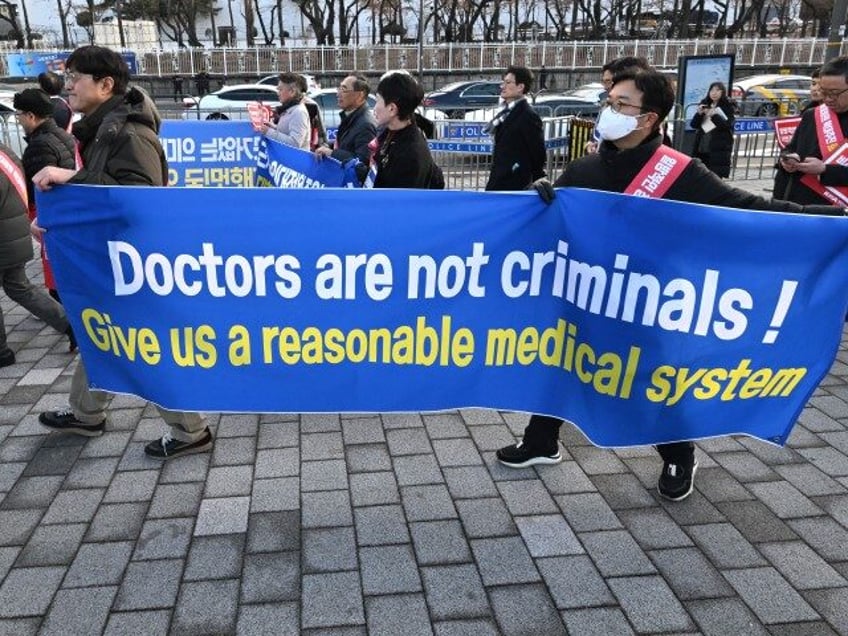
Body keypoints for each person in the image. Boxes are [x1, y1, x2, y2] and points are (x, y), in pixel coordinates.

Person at [498, 68, 845, 501]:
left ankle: (678, 451)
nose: (611, 111)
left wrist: (836, 222)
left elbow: (752, 209)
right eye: (610, 102)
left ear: (649, 119)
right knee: (563, 361)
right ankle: (541, 441)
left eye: (622, 104)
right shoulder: (584, 168)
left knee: (649, 380)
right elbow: (548, 220)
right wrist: (542, 194)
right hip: (587, 294)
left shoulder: (681, 173)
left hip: (648, 303)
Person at [32, 45, 212, 459]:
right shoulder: (104, 127)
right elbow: (104, 185)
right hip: (111, 259)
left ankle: (191, 430)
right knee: (102, 332)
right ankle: (86, 412)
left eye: (76, 76)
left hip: (131, 264)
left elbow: (141, 201)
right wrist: (62, 215)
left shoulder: (130, 132)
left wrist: (71, 181)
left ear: (106, 84)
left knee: (138, 345)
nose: (68, 84)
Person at [0, 141, 73, 369]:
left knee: (18, 286)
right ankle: (70, 326)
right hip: (13, 235)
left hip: (4, 238)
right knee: (19, 286)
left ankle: (2, 353)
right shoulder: (5, 151)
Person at [14, 88, 78, 305]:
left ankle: (73, 333)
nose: (18, 119)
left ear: (31, 116)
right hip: (68, 215)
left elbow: (42, 189)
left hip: (51, 220)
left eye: (19, 114)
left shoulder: (39, 145)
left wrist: (34, 218)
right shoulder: (63, 135)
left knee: (57, 287)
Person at [774, 56, 848, 204]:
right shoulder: (812, 115)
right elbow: (791, 149)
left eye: (834, 93)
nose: (827, 99)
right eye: (823, 92)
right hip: (798, 203)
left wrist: (825, 170)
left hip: (837, 211)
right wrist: (789, 160)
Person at [370, 71, 442, 189]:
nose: (374, 108)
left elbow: (398, 202)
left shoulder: (410, 155)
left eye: (377, 100)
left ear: (392, 109)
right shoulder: (391, 133)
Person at [484, 65, 546, 192]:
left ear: (520, 87)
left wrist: (538, 179)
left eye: (508, 83)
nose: (503, 86)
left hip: (515, 183)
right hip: (499, 178)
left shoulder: (528, 116)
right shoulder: (504, 112)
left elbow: (538, 152)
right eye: (503, 82)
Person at [314, 74, 376, 183]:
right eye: (339, 88)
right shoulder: (350, 117)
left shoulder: (366, 124)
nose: (338, 94)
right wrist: (327, 146)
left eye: (344, 89)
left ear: (360, 95)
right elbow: (345, 145)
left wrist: (331, 153)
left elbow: (361, 164)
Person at [689, 81, 735, 178]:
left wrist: (714, 115)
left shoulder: (727, 106)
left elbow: (726, 126)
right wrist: (699, 114)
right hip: (702, 145)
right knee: (701, 175)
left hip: (717, 147)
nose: (714, 93)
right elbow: (694, 125)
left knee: (715, 177)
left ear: (723, 92)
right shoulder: (705, 104)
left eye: (717, 90)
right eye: (712, 90)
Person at [260, 72, 310, 149]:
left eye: (280, 90)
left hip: (295, 160)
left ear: (292, 92)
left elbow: (295, 143)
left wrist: (268, 132)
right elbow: (287, 132)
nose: (278, 93)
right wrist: (274, 128)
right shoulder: (290, 109)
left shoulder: (299, 112)